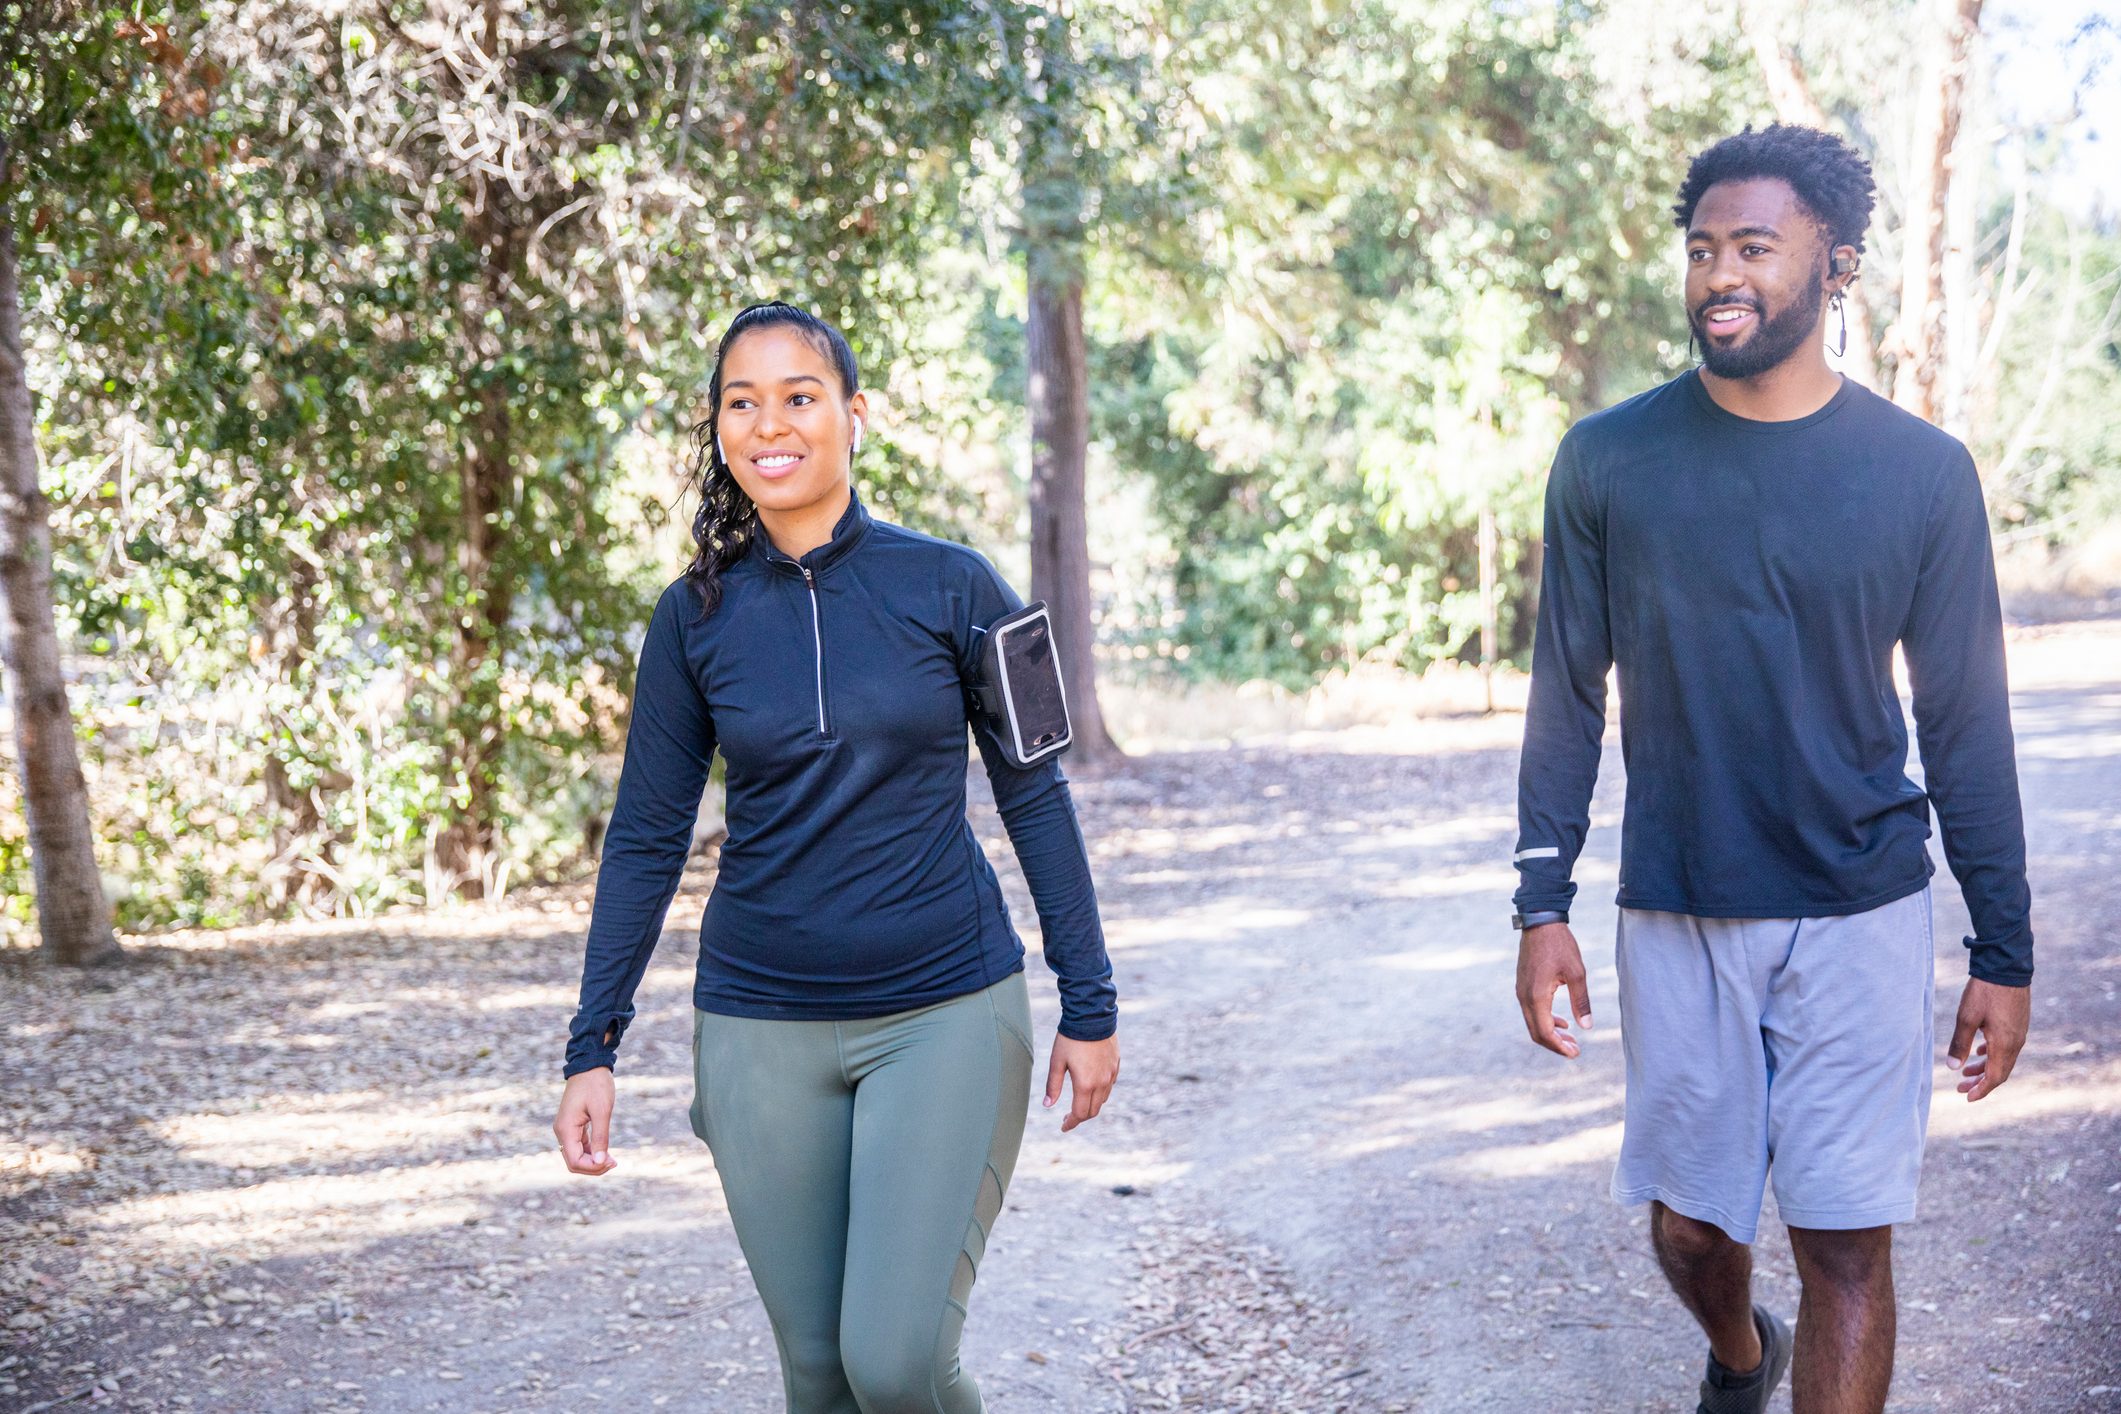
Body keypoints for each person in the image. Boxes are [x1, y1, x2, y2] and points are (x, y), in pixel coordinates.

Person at [1509, 125, 2033, 1414]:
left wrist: (2004, 952)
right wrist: (1540, 904)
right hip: (1681, 903)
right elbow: (1567, 692)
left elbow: (1967, 722)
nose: (1718, 275)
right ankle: (1744, 1353)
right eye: (1701, 250)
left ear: (1836, 266)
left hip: (1862, 903)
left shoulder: (1923, 475)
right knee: (1692, 1231)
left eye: (1754, 246)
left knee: (1847, 1242)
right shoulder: (1610, 460)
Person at [553, 300, 1121, 1414]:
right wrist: (592, 1042)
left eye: (800, 396)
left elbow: (1036, 800)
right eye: (741, 400)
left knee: (896, 1363)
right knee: (818, 1377)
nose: (771, 422)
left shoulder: (960, 586)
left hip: (944, 1011)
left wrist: (1088, 1000)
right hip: (759, 1026)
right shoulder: (690, 619)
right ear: (718, 428)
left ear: (854, 415)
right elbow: (645, 838)